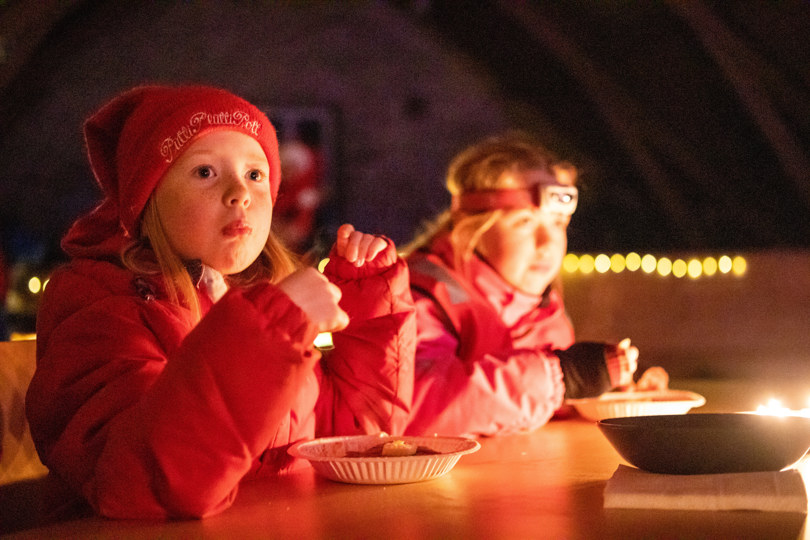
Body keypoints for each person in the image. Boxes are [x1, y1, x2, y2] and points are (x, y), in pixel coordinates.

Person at [25, 85, 415, 520]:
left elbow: (357, 437)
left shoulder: (246, 300)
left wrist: (370, 300)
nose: (240, 193)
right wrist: (269, 327)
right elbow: (146, 483)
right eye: (205, 172)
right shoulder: (105, 310)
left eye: (256, 174)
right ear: (147, 196)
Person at [402, 131, 667, 437]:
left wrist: (608, 392)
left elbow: (539, 403)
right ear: (470, 227)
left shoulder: (541, 308)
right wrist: (561, 376)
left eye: (557, 223)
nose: (547, 242)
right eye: (524, 222)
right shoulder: (420, 295)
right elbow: (415, 405)